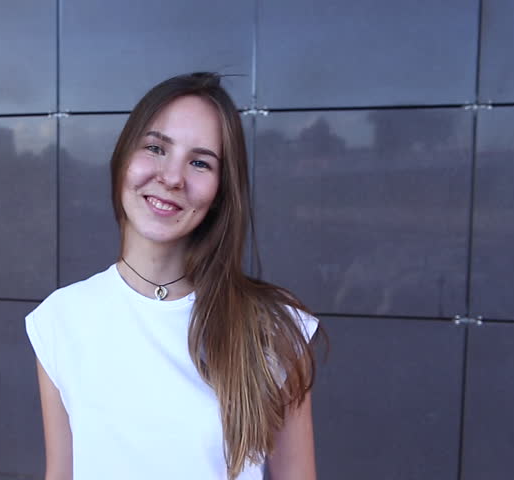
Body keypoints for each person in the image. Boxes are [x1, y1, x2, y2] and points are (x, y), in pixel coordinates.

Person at [25, 72, 321, 480]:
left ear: (221, 189)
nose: (172, 177)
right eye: (155, 148)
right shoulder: (60, 319)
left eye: (200, 162)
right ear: (124, 157)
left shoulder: (273, 327)